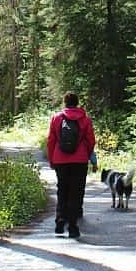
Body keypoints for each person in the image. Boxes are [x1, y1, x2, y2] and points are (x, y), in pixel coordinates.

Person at [46, 92, 96, 239]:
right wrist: (85, 154)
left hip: (60, 159)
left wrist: (52, 159)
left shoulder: (56, 118)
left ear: (65, 103)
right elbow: (91, 140)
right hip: (79, 160)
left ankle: (60, 222)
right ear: (77, 102)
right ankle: (73, 227)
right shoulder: (85, 119)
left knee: (62, 190)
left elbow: (51, 141)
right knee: (76, 192)